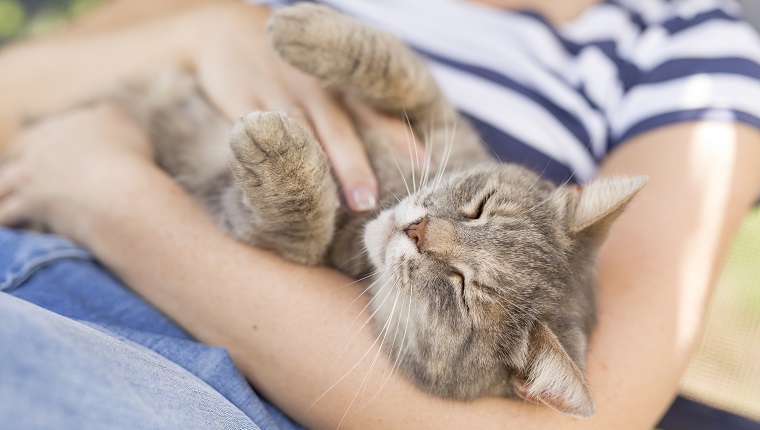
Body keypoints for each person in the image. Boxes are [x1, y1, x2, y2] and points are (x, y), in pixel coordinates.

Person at [2, 0, 760, 428]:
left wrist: (118, 203)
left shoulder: (687, 52)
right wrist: (198, 33)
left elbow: (582, 425)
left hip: (191, 377)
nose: (430, 229)